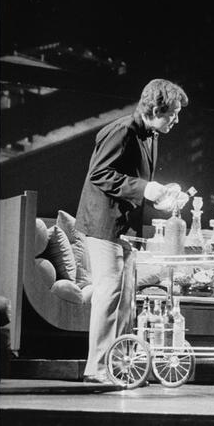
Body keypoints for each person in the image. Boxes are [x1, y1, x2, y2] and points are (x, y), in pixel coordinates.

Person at [76, 78, 189, 383]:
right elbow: (99, 174)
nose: (176, 120)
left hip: (124, 228)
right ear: (155, 108)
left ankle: (118, 366)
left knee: (125, 298)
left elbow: (133, 184)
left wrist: (161, 197)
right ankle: (97, 369)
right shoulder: (122, 130)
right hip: (104, 225)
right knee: (109, 293)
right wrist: (146, 187)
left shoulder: (151, 135)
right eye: (173, 113)